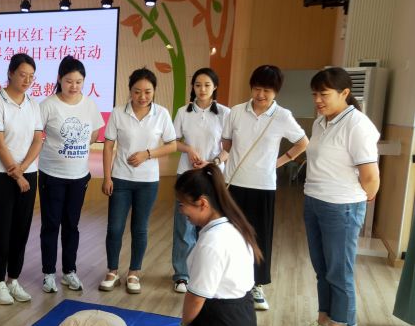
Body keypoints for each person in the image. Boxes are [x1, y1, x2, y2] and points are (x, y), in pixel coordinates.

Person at [137, 165, 266, 326]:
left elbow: (196, 299)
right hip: (242, 321)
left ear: (203, 203)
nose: (180, 210)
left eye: (183, 204)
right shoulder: (233, 226)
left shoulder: (212, 242)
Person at [292, 67, 380, 326]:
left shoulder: (357, 125)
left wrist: (360, 199)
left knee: (339, 271)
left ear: (345, 93)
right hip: (315, 200)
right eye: (314, 94)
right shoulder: (321, 122)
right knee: (322, 268)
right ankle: (322, 322)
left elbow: (371, 177)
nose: (317, 100)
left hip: (342, 206)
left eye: (324, 94)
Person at [222, 65, 308, 310]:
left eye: (267, 90)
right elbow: (226, 143)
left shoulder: (282, 116)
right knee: (231, 234)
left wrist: (278, 162)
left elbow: (303, 142)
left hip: (263, 185)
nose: (261, 94)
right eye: (257, 89)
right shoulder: (236, 112)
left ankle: (256, 284)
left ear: (276, 92)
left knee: (260, 236)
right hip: (234, 182)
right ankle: (230, 280)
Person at [100, 68, 176, 294]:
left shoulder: (162, 114)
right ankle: (112, 271)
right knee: (114, 228)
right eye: (137, 91)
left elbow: (172, 145)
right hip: (120, 179)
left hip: (148, 182)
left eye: (148, 92)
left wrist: (147, 154)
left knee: (140, 228)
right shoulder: (118, 112)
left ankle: (134, 272)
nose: (142, 96)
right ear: (130, 90)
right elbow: (108, 146)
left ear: (154, 91)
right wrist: (107, 177)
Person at [39, 56, 104, 293]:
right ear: (59, 79)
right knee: (51, 225)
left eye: (78, 81)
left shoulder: (89, 105)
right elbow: (35, 134)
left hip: (79, 176)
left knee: (71, 225)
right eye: (69, 81)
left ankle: (69, 271)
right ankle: (48, 273)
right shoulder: (48, 105)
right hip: (52, 174)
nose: (74, 86)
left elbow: (95, 133)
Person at [0, 53, 43, 305]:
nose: (27, 80)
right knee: (1, 230)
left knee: (21, 229)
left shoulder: (33, 104)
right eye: (22, 75)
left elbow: (38, 139)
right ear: (10, 73)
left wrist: (24, 168)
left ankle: (13, 280)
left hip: (28, 173)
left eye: (31, 76)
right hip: (1, 175)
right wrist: (16, 173)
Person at [171, 68, 230, 293]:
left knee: (211, 225)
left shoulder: (225, 113)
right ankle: (182, 275)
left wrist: (213, 162)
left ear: (215, 87)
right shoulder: (183, 112)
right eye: (198, 85)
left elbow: (229, 147)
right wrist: (188, 149)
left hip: (213, 176)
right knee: (184, 226)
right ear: (193, 87)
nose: (202, 89)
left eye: (207, 85)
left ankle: (206, 273)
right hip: (187, 175)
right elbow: (173, 141)